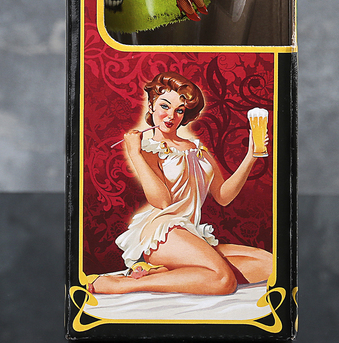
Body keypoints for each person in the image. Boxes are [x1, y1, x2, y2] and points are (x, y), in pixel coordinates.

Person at [89, 71, 272, 296]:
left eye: (179, 110)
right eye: (164, 106)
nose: (171, 116)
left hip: (190, 232)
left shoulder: (197, 148)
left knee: (270, 265)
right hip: (164, 232)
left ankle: (165, 272)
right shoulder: (148, 151)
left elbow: (223, 196)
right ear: (151, 106)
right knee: (223, 280)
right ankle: (124, 285)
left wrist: (251, 155)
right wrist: (134, 154)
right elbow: (162, 202)